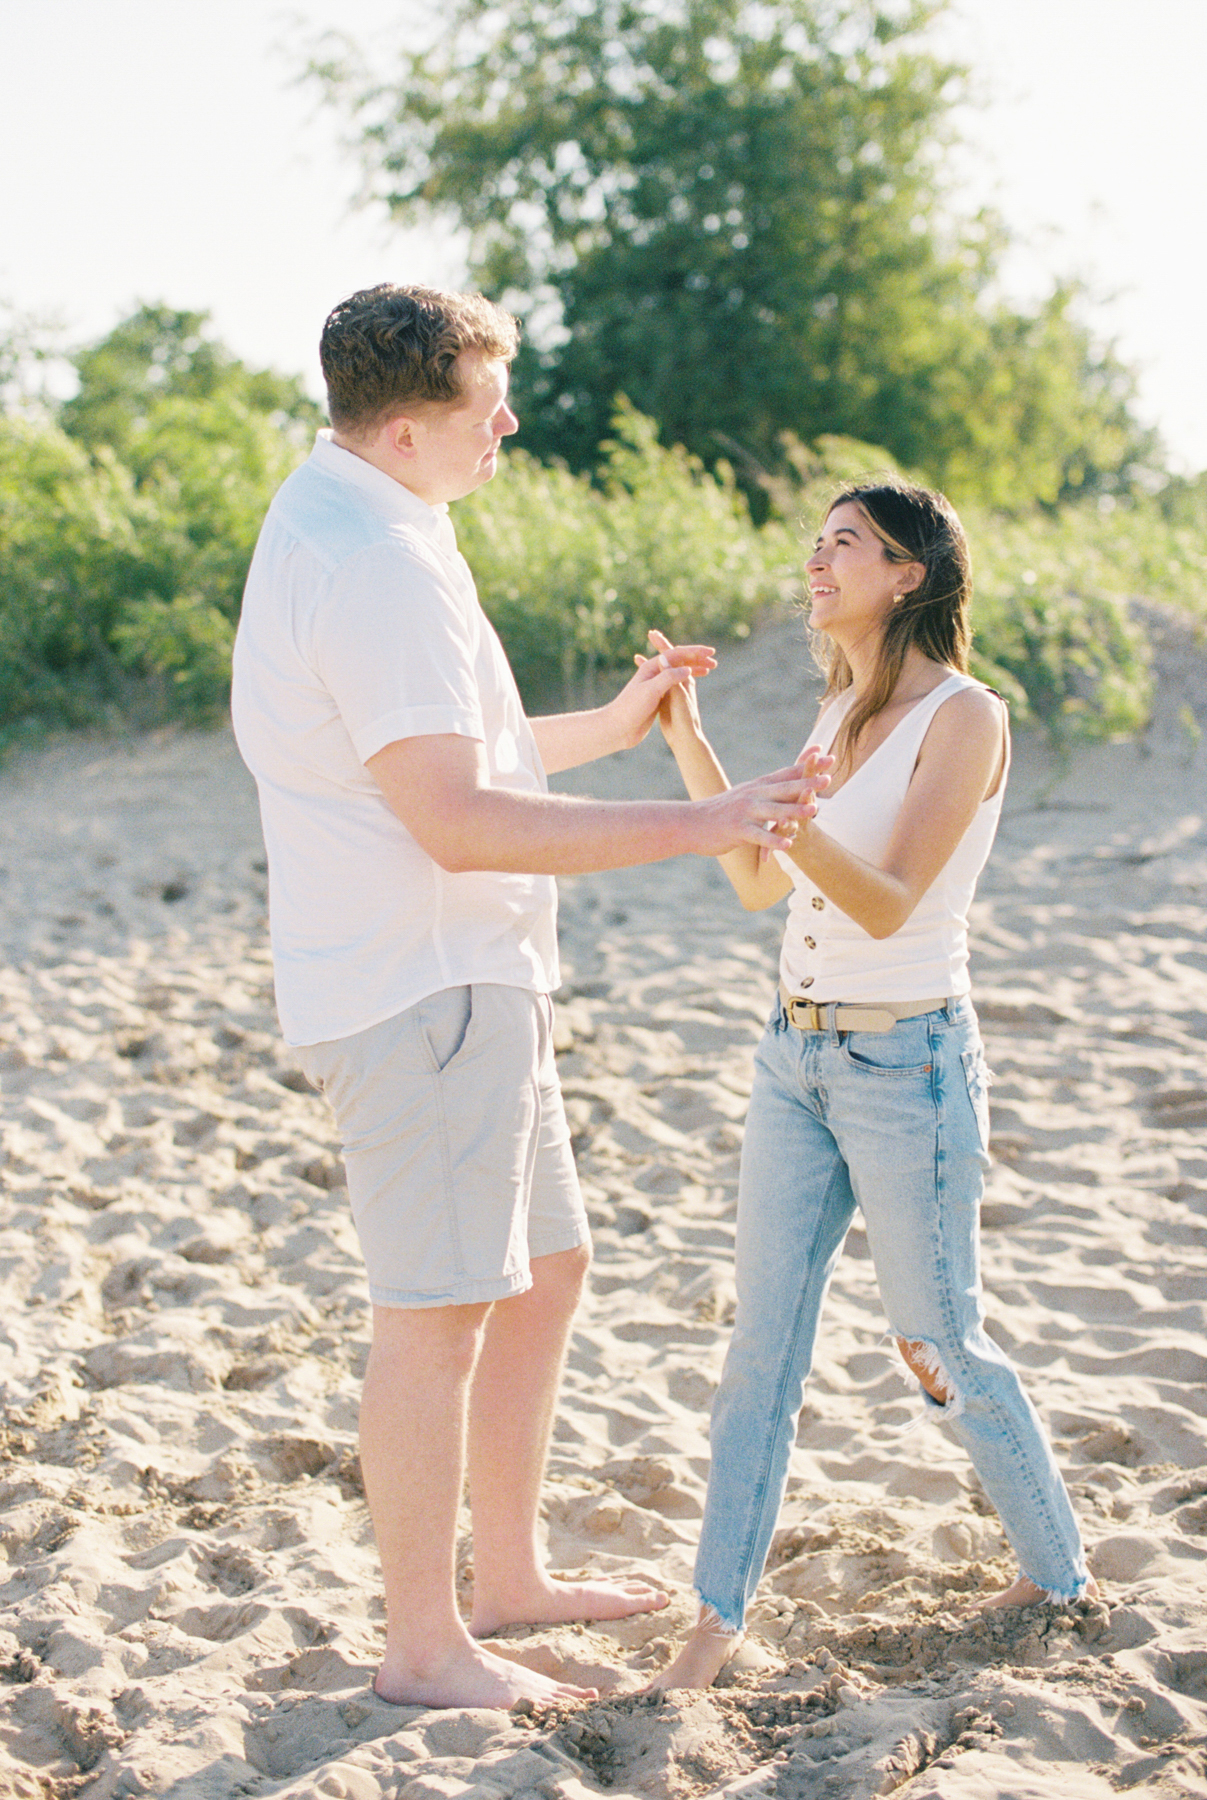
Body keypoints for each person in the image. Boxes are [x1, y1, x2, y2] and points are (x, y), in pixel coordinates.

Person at [230, 283, 826, 1711]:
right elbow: (452, 818)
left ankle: (505, 1575)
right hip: (422, 986)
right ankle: (427, 1646)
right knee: (434, 1314)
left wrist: (613, 728)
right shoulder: (367, 562)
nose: (506, 423)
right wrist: (704, 819)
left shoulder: (367, 515)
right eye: (479, 407)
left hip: (468, 978)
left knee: (546, 1271)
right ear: (397, 427)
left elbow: (455, 752)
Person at [645, 481, 1097, 1691]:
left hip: (910, 1065)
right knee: (761, 1348)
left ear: (909, 573)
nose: (820, 557)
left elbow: (889, 896)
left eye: (848, 541)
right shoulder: (835, 707)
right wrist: (692, 737)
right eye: (819, 540)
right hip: (792, 1056)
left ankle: (1056, 1571)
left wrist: (789, 829)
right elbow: (755, 883)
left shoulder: (966, 716)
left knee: (934, 1336)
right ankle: (712, 1617)